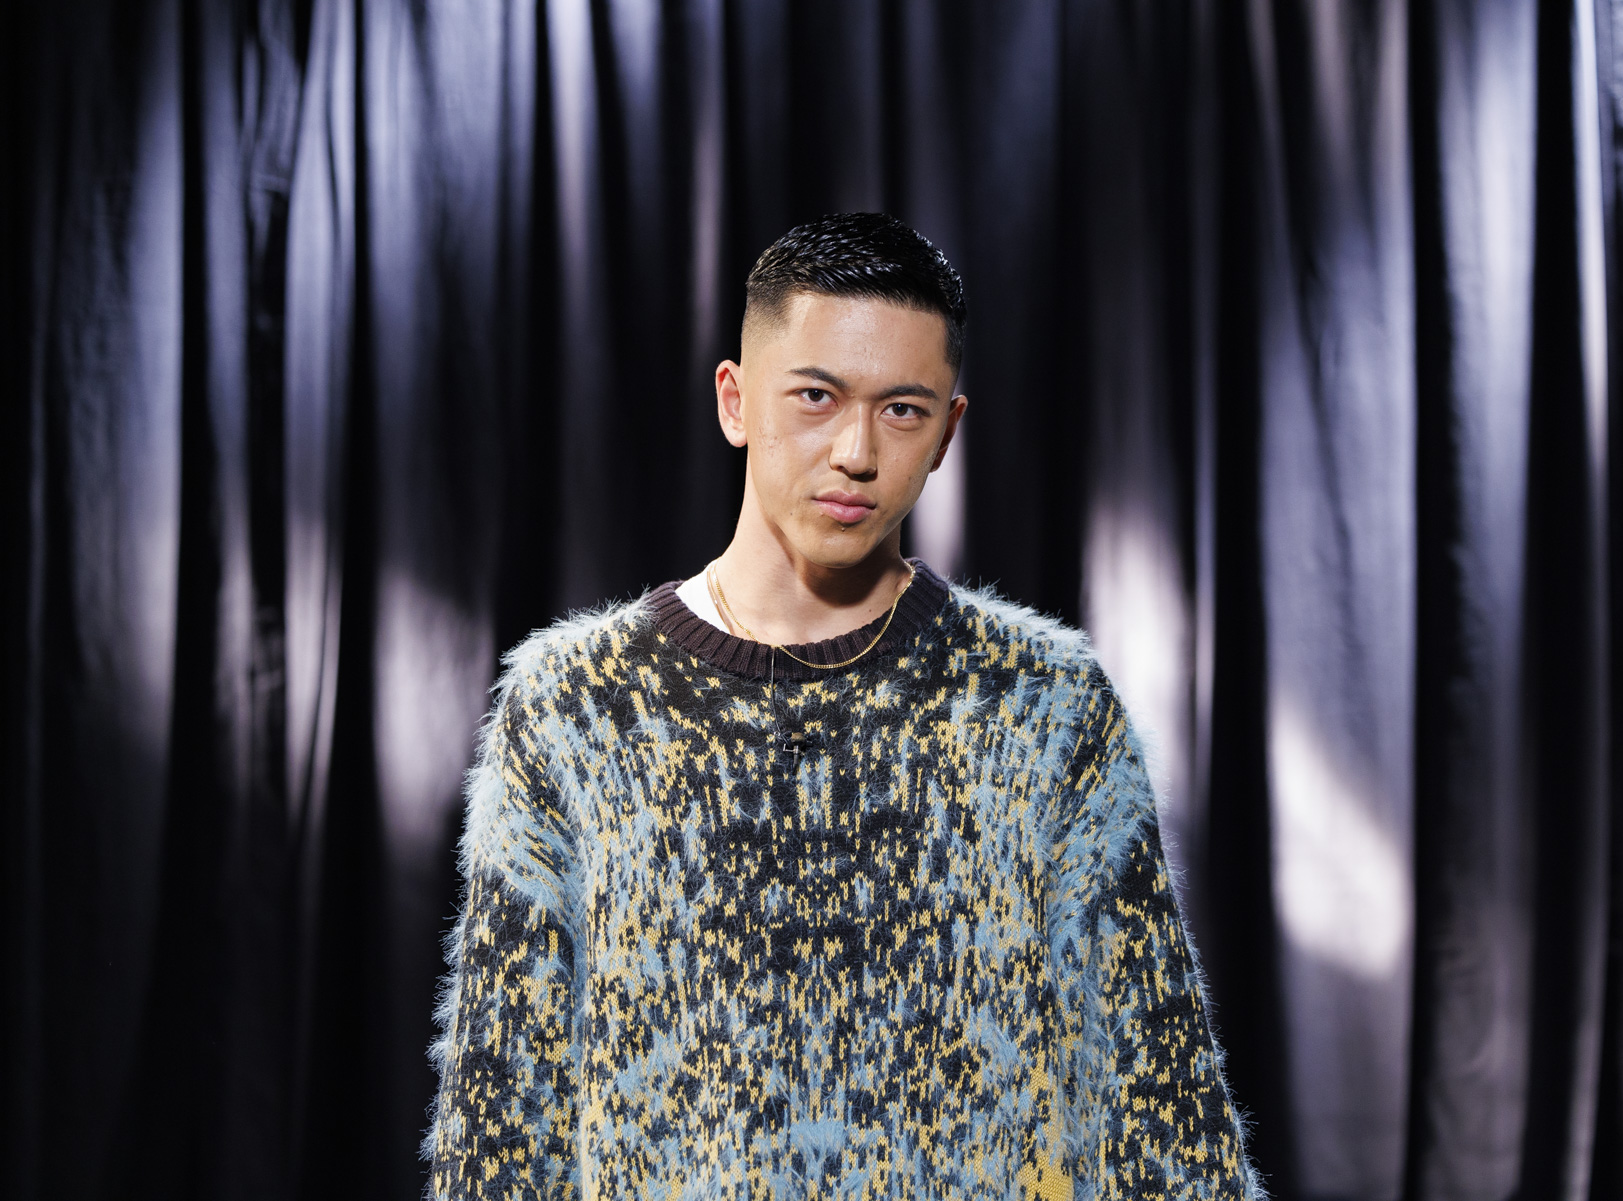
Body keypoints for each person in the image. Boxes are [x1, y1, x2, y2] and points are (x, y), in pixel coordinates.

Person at [425, 213, 1262, 1200]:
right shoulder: (577, 705)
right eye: (816, 397)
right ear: (736, 400)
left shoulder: (1042, 704)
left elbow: (1161, 1113)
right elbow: (501, 1124)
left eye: (903, 410)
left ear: (948, 431)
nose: (857, 452)